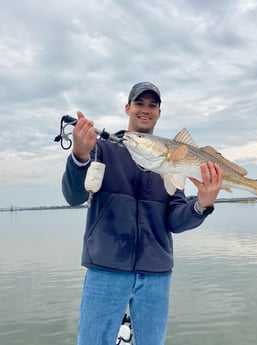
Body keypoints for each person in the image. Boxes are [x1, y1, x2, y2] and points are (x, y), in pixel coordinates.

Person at [62, 81, 223, 345]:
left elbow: (175, 219)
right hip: (106, 269)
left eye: (152, 105)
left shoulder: (172, 161)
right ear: (127, 107)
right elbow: (74, 196)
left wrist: (201, 205)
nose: (145, 109)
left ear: (159, 112)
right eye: (139, 103)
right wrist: (80, 155)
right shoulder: (102, 149)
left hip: (156, 273)